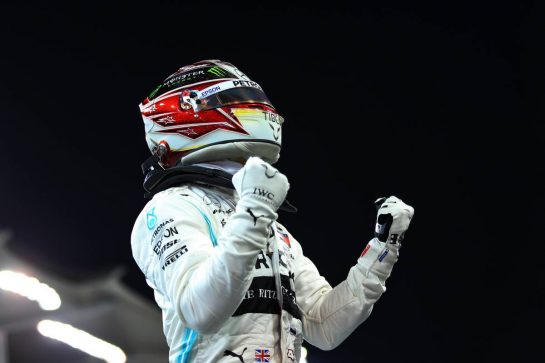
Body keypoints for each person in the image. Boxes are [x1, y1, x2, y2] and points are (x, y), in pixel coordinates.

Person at [131, 59, 414, 363]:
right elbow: (199, 310)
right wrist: (255, 209)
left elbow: (324, 326)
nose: (256, 109)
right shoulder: (169, 208)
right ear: (187, 111)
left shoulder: (273, 227)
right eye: (231, 100)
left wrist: (383, 249)